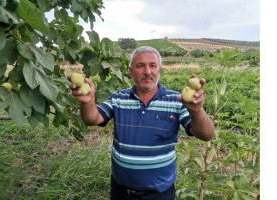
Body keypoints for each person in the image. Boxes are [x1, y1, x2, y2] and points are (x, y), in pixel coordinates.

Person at [68, 46, 215, 200]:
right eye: (140, 66)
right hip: (121, 192)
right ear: (131, 71)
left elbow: (207, 135)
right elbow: (93, 118)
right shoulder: (118, 98)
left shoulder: (177, 100)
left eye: (152, 65)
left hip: (160, 194)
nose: (147, 71)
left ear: (159, 70)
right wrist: (87, 102)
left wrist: (197, 110)